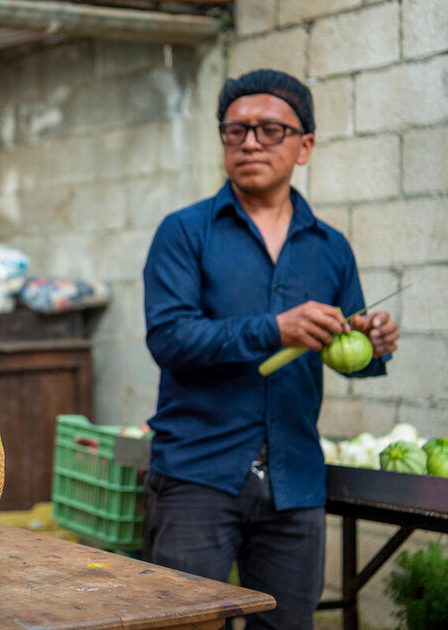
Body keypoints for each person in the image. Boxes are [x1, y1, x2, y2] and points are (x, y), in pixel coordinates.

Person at [141, 69, 400, 629]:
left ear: (304, 145)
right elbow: (169, 338)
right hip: (198, 477)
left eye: (269, 130)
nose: (251, 142)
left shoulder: (330, 247)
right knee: (184, 624)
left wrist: (372, 342)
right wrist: (274, 329)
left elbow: (345, 344)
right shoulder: (185, 233)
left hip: (295, 482)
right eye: (236, 131)